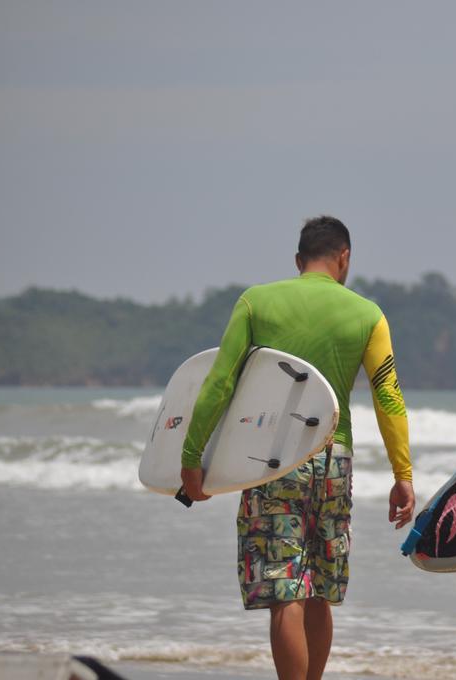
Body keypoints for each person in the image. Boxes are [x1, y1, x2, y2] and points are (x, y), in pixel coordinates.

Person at [179, 215, 415, 680]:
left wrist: (191, 457)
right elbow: (389, 395)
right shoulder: (368, 314)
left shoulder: (256, 301)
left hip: (269, 462)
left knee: (283, 590)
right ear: (343, 257)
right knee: (319, 590)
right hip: (333, 460)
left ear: (297, 260)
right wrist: (402, 475)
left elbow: (219, 384)